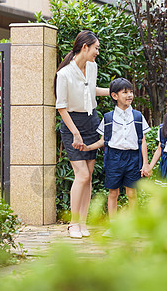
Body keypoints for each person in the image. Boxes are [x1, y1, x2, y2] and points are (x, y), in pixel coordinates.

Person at [55, 30, 109, 239]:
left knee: (88, 178)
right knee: (82, 175)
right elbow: (61, 107)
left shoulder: (92, 67)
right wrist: (75, 133)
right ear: (85, 47)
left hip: (91, 121)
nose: (98, 51)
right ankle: (73, 223)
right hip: (72, 125)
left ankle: (83, 223)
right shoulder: (64, 74)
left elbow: (91, 89)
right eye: (96, 48)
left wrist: (115, 91)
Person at [83, 78, 150, 233]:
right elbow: (102, 141)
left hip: (133, 158)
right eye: (125, 92)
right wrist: (87, 148)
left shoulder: (138, 116)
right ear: (114, 96)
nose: (130, 95)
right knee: (113, 192)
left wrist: (145, 163)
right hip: (114, 157)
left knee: (131, 192)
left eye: (131, 92)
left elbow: (143, 141)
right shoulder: (108, 117)